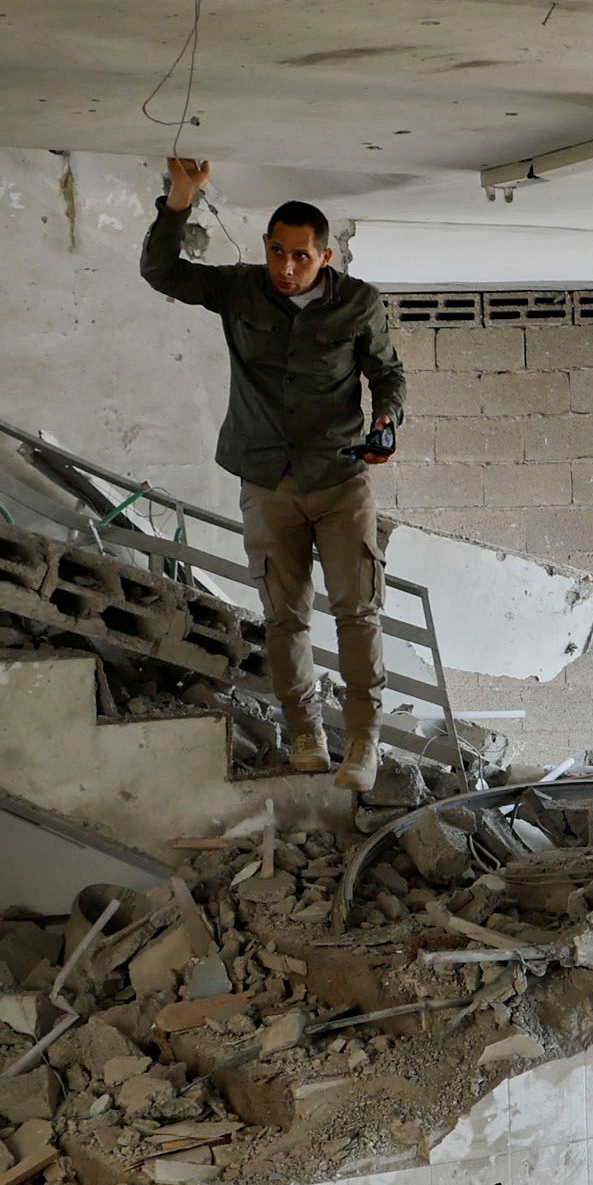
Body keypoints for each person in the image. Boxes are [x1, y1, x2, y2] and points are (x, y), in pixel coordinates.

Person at [139, 161, 405, 789]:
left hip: (341, 478)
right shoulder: (239, 289)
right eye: (278, 253)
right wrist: (177, 204)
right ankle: (306, 733)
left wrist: (387, 418)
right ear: (266, 247)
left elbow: (388, 374)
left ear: (326, 254)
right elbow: (161, 272)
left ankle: (363, 742)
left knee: (358, 611)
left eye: (301, 258)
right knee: (284, 617)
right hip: (266, 480)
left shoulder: (358, 304)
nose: (287, 269)